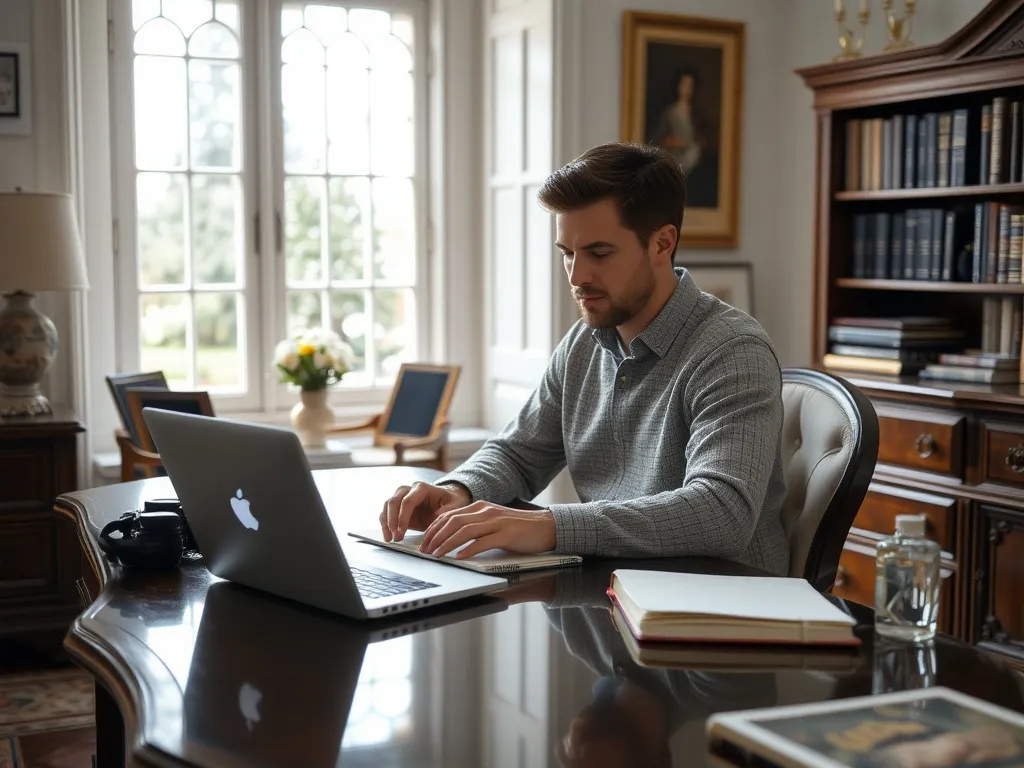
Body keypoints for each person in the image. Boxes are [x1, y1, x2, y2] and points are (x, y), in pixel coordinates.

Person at [379, 140, 789, 576]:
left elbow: (722, 512)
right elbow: (519, 453)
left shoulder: (732, 350)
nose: (577, 276)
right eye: (567, 254)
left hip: (723, 600)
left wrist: (549, 526)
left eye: (599, 253)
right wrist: (458, 491)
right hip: (617, 586)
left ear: (662, 243)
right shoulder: (584, 342)